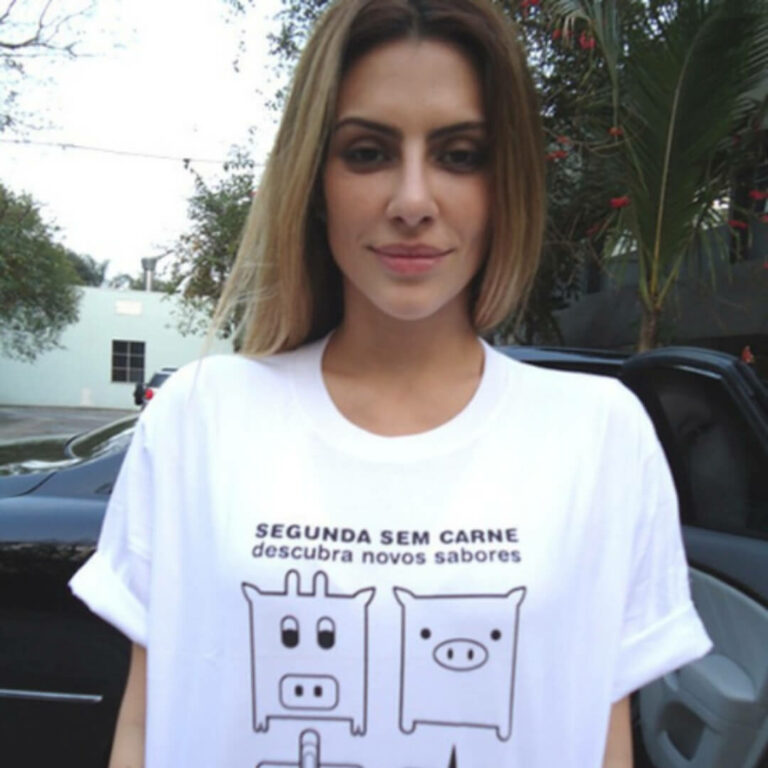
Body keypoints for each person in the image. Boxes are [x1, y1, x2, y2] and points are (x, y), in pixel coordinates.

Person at [69, 1, 712, 766]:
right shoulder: (199, 418)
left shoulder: (601, 435)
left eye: (460, 155)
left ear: (504, 181)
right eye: (368, 152)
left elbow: (602, 742)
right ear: (316, 179)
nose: (412, 201)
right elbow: (144, 728)